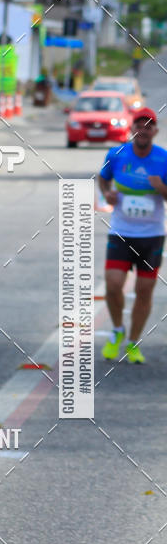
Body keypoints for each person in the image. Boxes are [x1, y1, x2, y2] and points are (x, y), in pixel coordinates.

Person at [98, 107, 167, 364]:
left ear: (155, 131)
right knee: (113, 285)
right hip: (122, 233)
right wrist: (107, 194)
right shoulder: (116, 155)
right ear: (132, 129)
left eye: (149, 126)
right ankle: (117, 330)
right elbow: (102, 179)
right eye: (140, 124)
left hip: (152, 236)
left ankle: (133, 342)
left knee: (144, 291)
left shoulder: (164, 159)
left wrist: (162, 189)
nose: (143, 130)